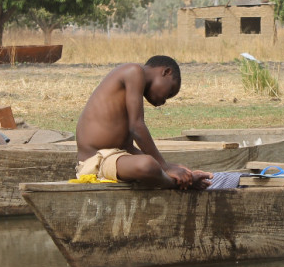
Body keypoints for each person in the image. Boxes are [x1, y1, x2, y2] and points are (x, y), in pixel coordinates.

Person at [75, 55, 212, 189]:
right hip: (96, 162)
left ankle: (180, 179)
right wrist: (164, 167)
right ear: (166, 72)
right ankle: (176, 184)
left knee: (162, 165)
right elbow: (137, 127)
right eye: (170, 92)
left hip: (115, 158)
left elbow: (127, 147)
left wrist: (171, 167)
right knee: (148, 165)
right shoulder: (134, 71)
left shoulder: (129, 94)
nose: (164, 101)